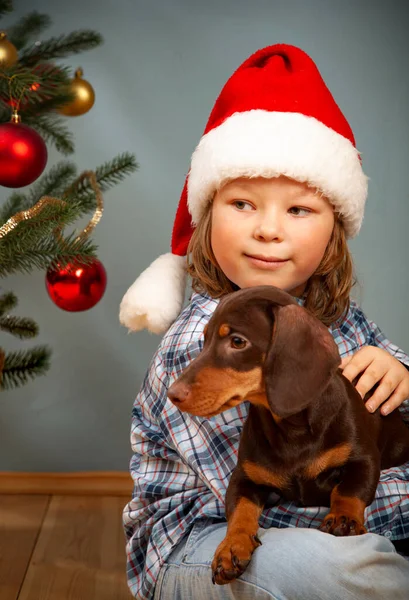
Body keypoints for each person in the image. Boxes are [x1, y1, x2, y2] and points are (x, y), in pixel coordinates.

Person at [120, 44, 409, 600]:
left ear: (333, 232)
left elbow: (389, 429)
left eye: (298, 209)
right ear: (206, 217)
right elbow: (284, 499)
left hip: (321, 532)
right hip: (201, 548)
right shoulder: (201, 343)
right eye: (243, 204)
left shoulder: (344, 320)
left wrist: (400, 371)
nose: (268, 230)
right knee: (339, 566)